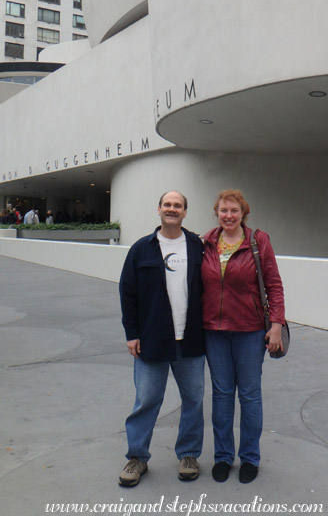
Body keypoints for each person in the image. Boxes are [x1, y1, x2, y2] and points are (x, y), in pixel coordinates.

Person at [119, 190, 205, 487]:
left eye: (177, 205)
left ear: (185, 212)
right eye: (167, 204)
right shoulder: (141, 249)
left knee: (193, 400)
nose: (172, 209)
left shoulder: (197, 246)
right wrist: (132, 334)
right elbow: (127, 293)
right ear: (158, 209)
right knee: (146, 401)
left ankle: (189, 455)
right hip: (153, 340)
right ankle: (137, 457)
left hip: (191, 340)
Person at [201, 189, 286, 484]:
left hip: (250, 331)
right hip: (214, 331)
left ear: (243, 213)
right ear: (217, 212)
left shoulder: (257, 241)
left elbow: (274, 285)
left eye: (234, 211)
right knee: (222, 395)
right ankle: (223, 456)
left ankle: (250, 457)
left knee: (250, 395)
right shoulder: (206, 243)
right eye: (224, 210)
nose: (228, 216)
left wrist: (275, 324)